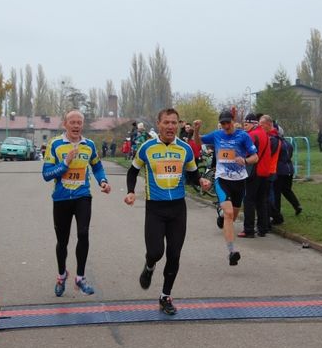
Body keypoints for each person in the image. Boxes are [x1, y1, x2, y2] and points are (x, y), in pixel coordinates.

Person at [125, 108, 210, 315]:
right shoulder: (146, 148)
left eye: (174, 123)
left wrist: (201, 181)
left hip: (178, 209)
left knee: (174, 255)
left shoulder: (185, 149)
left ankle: (165, 296)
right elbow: (133, 171)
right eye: (166, 122)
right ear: (159, 124)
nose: (170, 126)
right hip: (155, 208)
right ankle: (149, 266)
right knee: (155, 252)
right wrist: (130, 192)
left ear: (178, 124)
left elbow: (192, 174)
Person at [42, 110, 111, 297]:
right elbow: (46, 174)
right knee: (62, 241)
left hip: (82, 196)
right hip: (61, 198)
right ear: (65, 124)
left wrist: (103, 181)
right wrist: (65, 163)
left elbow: (97, 166)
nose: (76, 125)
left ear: (82, 125)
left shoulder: (89, 145)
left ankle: (80, 278)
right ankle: (61, 275)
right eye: (72, 122)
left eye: (79, 122)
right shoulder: (55, 144)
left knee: (83, 233)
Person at [193, 109, 258, 266]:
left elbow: (255, 157)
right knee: (229, 214)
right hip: (222, 179)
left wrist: (246, 160)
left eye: (228, 123)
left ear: (233, 121)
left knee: (232, 217)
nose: (225, 126)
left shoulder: (243, 136)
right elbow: (198, 142)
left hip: (239, 181)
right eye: (222, 123)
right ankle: (231, 252)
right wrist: (196, 130)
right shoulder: (217, 135)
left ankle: (222, 215)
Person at [239, 113, 271, 237]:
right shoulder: (265, 134)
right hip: (265, 172)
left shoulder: (252, 135)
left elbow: (246, 152)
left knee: (249, 200)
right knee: (261, 201)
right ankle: (263, 228)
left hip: (254, 172)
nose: (244, 126)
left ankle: (248, 230)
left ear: (253, 124)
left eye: (246, 124)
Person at [270, 128, 302, 224]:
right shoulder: (288, 144)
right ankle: (297, 205)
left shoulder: (276, 143)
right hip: (289, 169)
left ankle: (277, 215)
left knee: (277, 193)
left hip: (280, 170)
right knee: (287, 190)